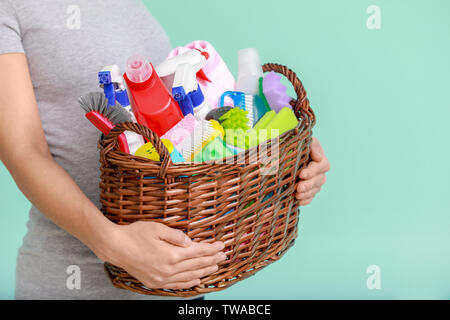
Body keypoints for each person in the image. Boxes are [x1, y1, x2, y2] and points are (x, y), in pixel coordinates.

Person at [0, 0, 330, 299]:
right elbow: (23, 151)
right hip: (74, 283)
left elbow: (187, 133)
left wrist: (285, 157)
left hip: (180, 282)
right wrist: (112, 244)